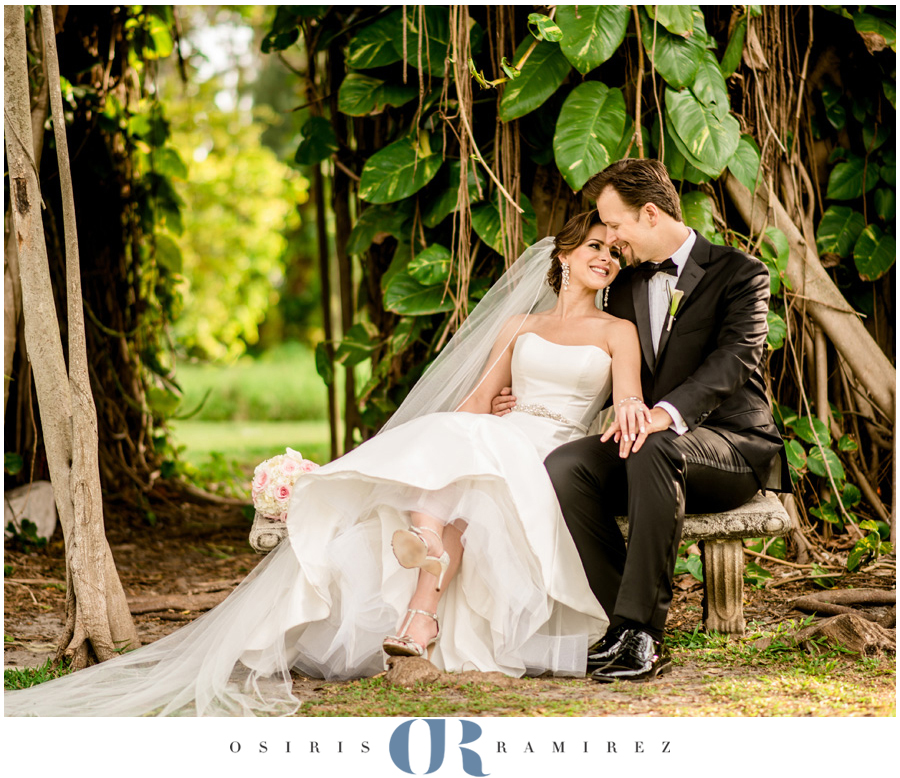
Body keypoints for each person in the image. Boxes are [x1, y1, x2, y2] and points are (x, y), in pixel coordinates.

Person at [6, 212, 646, 717]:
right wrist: (483, 417)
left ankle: (426, 569)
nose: (603, 257)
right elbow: (478, 402)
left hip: (556, 449)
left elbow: (626, 407)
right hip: (501, 434)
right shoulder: (520, 324)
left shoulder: (617, 333)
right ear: (561, 254)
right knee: (458, 442)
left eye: (613, 252)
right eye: (592, 245)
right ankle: (423, 594)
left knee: (478, 462)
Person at [494, 159, 790, 683]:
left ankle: (643, 635)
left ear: (649, 214)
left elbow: (736, 359)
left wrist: (665, 414)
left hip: (730, 445)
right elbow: (597, 364)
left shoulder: (741, 272)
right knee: (566, 465)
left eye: (615, 224)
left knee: (655, 443)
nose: (610, 236)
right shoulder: (625, 286)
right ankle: (619, 627)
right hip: (648, 446)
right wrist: (525, 399)